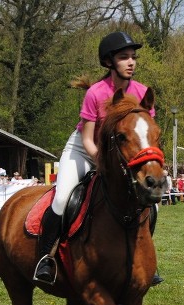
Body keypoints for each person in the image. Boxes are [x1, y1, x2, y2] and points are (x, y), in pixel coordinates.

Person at [34, 31, 158, 285]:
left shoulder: (143, 92)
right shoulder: (96, 93)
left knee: (150, 204)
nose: (131, 62)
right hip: (83, 150)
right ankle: (46, 258)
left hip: (121, 153)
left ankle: (144, 259)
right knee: (62, 198)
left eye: (133, 57)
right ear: (109, 62)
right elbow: (89, 139)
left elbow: (145, 136)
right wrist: (102, 163)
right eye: (124, 57)